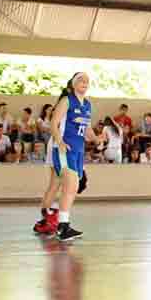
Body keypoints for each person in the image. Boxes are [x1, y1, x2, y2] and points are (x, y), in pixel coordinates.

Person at [39, 72, 100, 241]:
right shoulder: (67, 101)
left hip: (79, 151)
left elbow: (87, 129)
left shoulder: (87, 105)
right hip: (65, 149)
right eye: (81, 80)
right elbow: (54, 123)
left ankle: (61, 224)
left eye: (87, 81)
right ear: (73, 84)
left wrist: (96, 138)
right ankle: (61, 225)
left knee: (71, 188)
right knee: (70, 185)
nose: (85, 83)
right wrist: (59, 141)